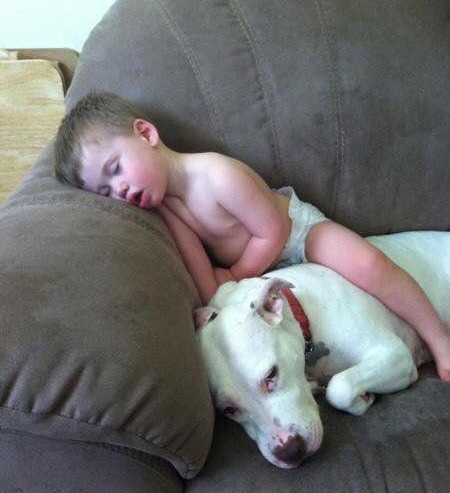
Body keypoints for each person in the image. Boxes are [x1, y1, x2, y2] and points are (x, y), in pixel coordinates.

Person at [54, 91, 450, 382]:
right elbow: (207, 285)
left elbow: (273, 230)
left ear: (146, 134)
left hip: (298, 237)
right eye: (104, 192)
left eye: (115, 169)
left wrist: (238, 273)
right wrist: (223, 287)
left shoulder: (216, 174)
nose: (118, 190)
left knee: (367, 263)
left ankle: (437, 337)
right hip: (258, 276)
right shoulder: (168, 215)